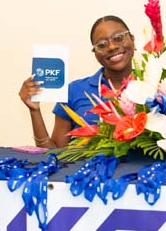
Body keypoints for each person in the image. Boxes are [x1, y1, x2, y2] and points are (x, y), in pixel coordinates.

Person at [19, 15, 135, 148]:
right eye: (102, 45)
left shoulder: (152, 85)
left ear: (132, 40)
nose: (112, 47)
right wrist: (34, 111)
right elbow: (56, 152)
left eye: (118, 38)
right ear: (95, 53)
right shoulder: (74, 91)